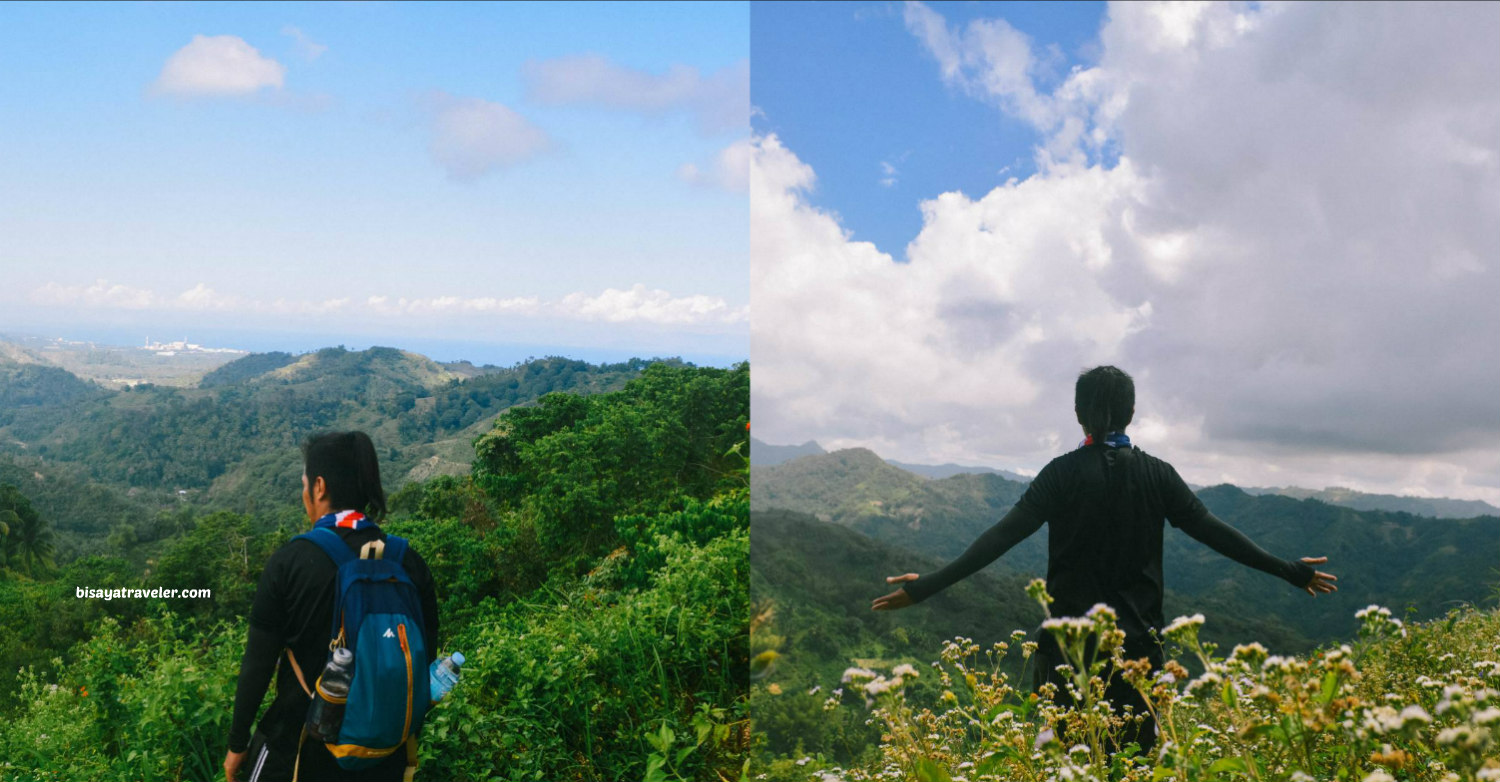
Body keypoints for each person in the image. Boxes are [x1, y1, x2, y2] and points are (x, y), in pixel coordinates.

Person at [870, 366, 1337, 753]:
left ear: (1078, 413)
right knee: (1132, 763)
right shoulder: (1159, 475)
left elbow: (1000, 538)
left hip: (1068, 658)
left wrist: (925, 586)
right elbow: (1216, 533)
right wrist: (1289, 571)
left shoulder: (1061, 475)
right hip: (1138, 657)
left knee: (1070, 763)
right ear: (1132, 413)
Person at [224, 431, 441, 782]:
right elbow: (424, 659)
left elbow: (258, 664)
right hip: (385, 755)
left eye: (305, 483)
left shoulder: (290, 562)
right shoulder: (408, 562)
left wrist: (237, 745)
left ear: (319, 487)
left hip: (300, 749)